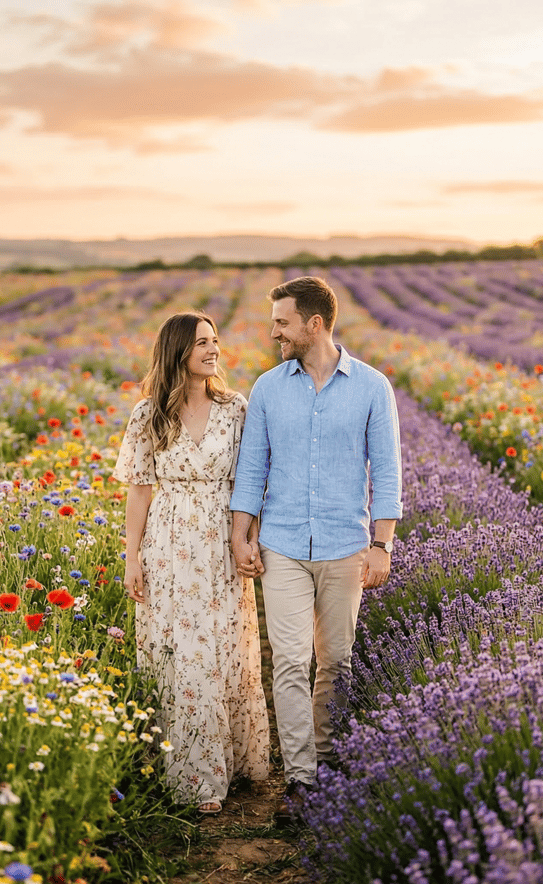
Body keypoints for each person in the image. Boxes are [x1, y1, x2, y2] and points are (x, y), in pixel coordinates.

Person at [229, 276, 402, 823]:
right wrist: (241, 533)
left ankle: (328, 765)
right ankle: (301, 779)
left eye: (282, 321)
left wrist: (382, 545)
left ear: (314, 324)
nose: (273, 330)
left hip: (345, 545)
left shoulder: (373, 387)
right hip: (281, 543)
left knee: (337, 661)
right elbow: (252, 468)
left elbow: (389, 474)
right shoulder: (267, 388)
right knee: (289, 661)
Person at [114, 311, 270, 815]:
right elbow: (140, 491)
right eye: (202, 342)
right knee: (179, 654)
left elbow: (252, 483)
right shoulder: (148, 414)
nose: (213, 350)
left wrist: (248, 537)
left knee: (223, 647)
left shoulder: (235, 408)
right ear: (178, 350)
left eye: (215, 341)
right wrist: (131, 556)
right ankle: (193, 775)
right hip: (169, 542)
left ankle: (234, 761)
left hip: (220, 540)